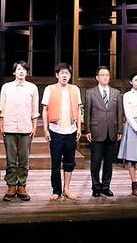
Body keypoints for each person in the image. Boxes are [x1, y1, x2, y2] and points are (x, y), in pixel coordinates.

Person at [0, 61, 39, 201]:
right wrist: (1, 125)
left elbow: (35, 110)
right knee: (10, 159)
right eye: (19, 69)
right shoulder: (6, 87)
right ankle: (11, 186)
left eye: (24, 70)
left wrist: (34, 127)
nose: (21, 72)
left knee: (23, 159)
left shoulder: (32, 88)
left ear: (27, 72)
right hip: (9, 127)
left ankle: (22, 185)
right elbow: (2, 108)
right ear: (14, 72)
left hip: (26, 128)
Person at [42, 62, 82, 201]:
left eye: (67, 73)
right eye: (62, 73)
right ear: (57, 75)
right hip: (55, 130)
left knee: (69, 162)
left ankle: (67, 189)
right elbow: (45, 110)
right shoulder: (50, 89)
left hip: (71, 130)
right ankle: (56, 190)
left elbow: (79, 109)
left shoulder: (75, 89)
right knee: (56, 162)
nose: (65, 76)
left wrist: (79, 127)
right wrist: (46, 129)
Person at [85, 66, 124, 197]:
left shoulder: (116, 93)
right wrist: (88, 130)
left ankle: (106, 186)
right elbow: (88, 113)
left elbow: (119, 113)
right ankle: (96, 187)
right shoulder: (90, 93)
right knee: (95, 162)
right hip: (96, 131)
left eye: (107, 75)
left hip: (112, 131)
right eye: (102, 75)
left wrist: (120, 130)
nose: (105, 77)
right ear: (97, 78)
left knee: (109, 162)